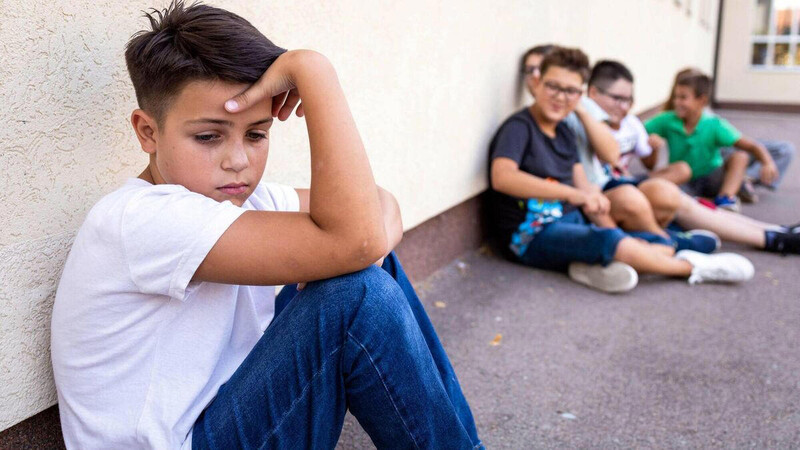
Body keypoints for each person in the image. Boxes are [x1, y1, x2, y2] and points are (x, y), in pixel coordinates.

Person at [50, 2, 481, 449]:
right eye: (208, 136)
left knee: (368, 263)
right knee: (356, 293)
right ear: (148, 132)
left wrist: (358, 246)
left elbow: (376, 206)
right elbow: (360, 234)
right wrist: (314, 71)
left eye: (256, 134)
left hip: (219, 415)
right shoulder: (141, 218)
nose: (238, 161)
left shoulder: (242, 200)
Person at [487, 45, 754, 294]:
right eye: (553, 86)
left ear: (580, 96)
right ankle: (690, 268)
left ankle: (591, 264)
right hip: (531, 234)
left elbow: (585, 189)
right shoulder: (519, 127)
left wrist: (611, 224)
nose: (560, 97)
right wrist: (575, 197)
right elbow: (502, 177)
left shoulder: (564, 132)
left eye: (570, 91)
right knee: (611, 242)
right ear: (537, 83)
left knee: (646, 242)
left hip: (571, 221)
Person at [586, 59, 800, 255]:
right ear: (592, 94)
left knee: (689, 195)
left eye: (629, 100)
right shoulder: (584, 120)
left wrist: (653, 150)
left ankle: (775, 232)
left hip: (685, 179)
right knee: (677, 199)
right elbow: (608, 160)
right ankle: (669, 242)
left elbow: (644, 158)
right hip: (608, 194)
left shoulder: (631, 122)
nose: (624, 107)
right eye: (617, 98)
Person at [644, 70, 780, 212]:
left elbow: (751, 146)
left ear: (702, 100)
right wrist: (651, 144)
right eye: (676, 97)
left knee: (740, 156)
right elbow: (640, 130)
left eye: (683, 97)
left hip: (712, 177)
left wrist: (767, 162)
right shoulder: (667, 120)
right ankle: (699, 201)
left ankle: (725, 199)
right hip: (685, 180)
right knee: (676, 183)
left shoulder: (714, 124)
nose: (676, 102)